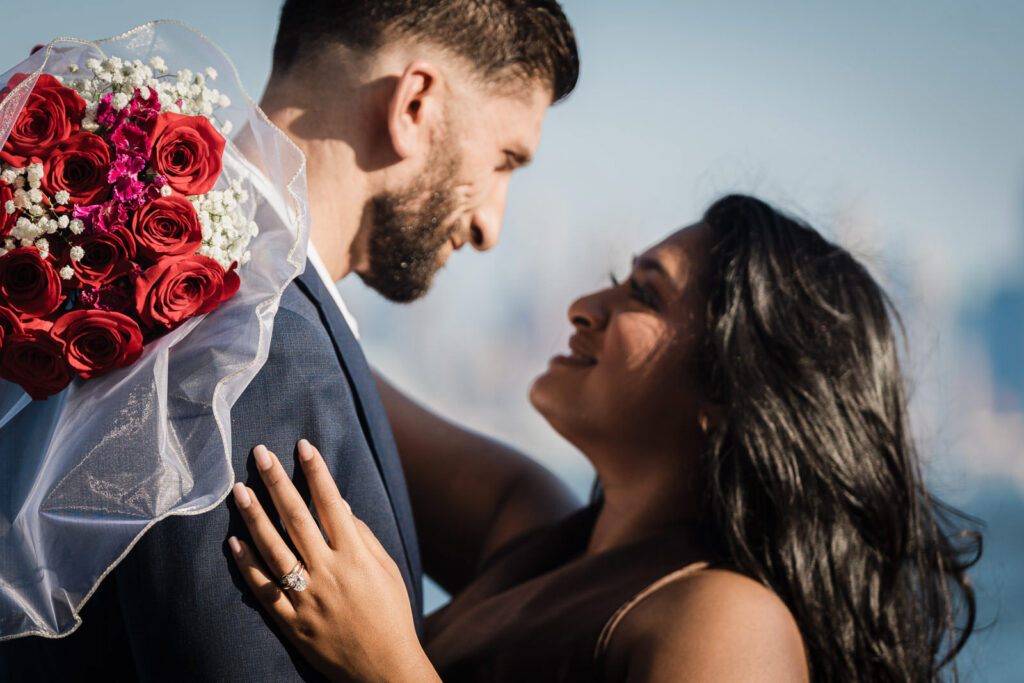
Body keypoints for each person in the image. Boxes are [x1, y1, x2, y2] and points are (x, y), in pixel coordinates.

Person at [0, 1, 578, 680]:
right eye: (505, 160)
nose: (491, 224)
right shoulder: (262, 352)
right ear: (415, 104)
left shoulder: (157, 291)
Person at [229, 195, 981, 682]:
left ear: (730, 390)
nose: (586, 305)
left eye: (644, 294)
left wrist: (386, 666)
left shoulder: (727, 623)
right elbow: (319, 371)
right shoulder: (532, 527)